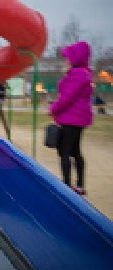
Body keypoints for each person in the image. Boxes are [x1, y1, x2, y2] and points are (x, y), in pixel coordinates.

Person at [49, 41, 94, 195]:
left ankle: (66, 186)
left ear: (76, 58)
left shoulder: (78, 74)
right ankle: (79, 185)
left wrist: (53, 109)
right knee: (75, 151)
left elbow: (67, 97)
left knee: (64, 152)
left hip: (71, 119)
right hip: (75, 118)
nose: (66, 60)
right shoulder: (82, 73)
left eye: (68, 57)